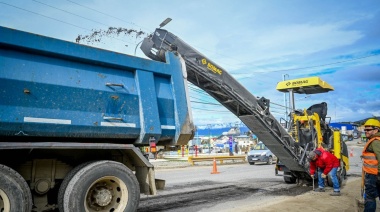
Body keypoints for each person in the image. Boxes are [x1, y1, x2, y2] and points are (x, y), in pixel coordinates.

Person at [361, 118, 380, 211]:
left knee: (370, 198)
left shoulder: (375, 142)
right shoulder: (375, 140)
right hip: (374, 174)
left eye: (368, 130)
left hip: (374, 175)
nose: (366, 131)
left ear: (376, 130)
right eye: (365, 129)